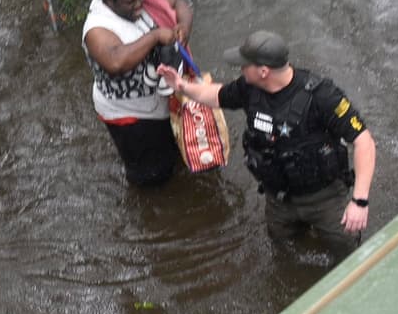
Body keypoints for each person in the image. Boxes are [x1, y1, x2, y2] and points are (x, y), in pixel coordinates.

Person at [157, 30, 376, 252]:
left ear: (263, 71)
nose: (240, 69)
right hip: (279, 199)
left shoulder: (322, 96)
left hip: (324, 199)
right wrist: (181, 86)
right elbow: (216, 95)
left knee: (347, 250)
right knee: (284, 249)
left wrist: (359, 202)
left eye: (245, 65)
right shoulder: (250, 88)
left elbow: (363, 141)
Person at [82, 0, 193, 187]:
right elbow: (116, 61)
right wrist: (155, 37)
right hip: (131, 117)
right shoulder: (96, 28)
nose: (139, 5)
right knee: (151, 179)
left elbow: (179, 4)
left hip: (162, 102)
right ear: (109, 1)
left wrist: (183, 27)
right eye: (130, 2)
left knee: (178, 161)